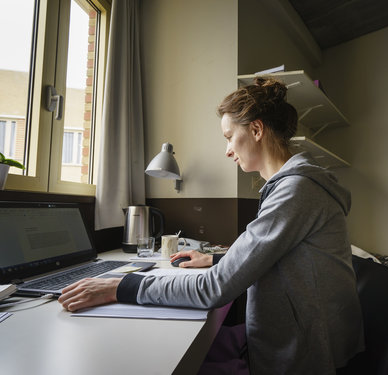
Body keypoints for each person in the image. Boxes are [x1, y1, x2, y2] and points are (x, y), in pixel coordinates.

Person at [59, 77, 364, 374]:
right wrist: (216, 258)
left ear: (256, 129)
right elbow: (277, 257)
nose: (227, 149)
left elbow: (215, 287)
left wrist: (122, 287)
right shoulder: (293, 187)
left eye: (229, 137)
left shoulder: (296, 190)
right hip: (296, 338)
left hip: (307, 352)